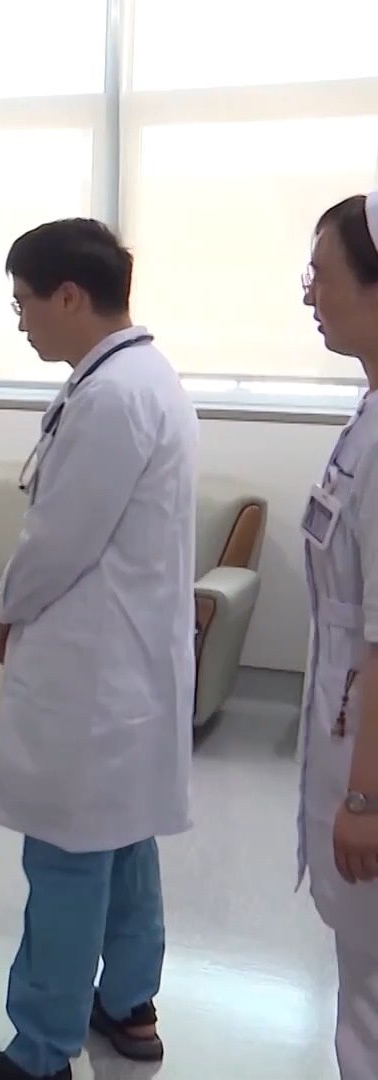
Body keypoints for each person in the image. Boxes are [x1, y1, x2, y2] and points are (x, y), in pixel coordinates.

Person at [0, 219, 197, 1080]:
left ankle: (40, 1052)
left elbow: (59, 539)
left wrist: (3, 614)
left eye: (24, 302)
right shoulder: (144, 378)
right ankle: (128, 1004)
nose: (20, 320)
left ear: (69, 296)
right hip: (130, 669)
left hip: (94, 678)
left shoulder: (110, 398)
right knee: (125, 844)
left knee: (66, 860)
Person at [297, 190, 378, 1080]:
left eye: (322, 274)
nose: (309, 293)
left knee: (370, 1003)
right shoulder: (368, 414)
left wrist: (365, 799)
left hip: (369, 761)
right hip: (351, 726)